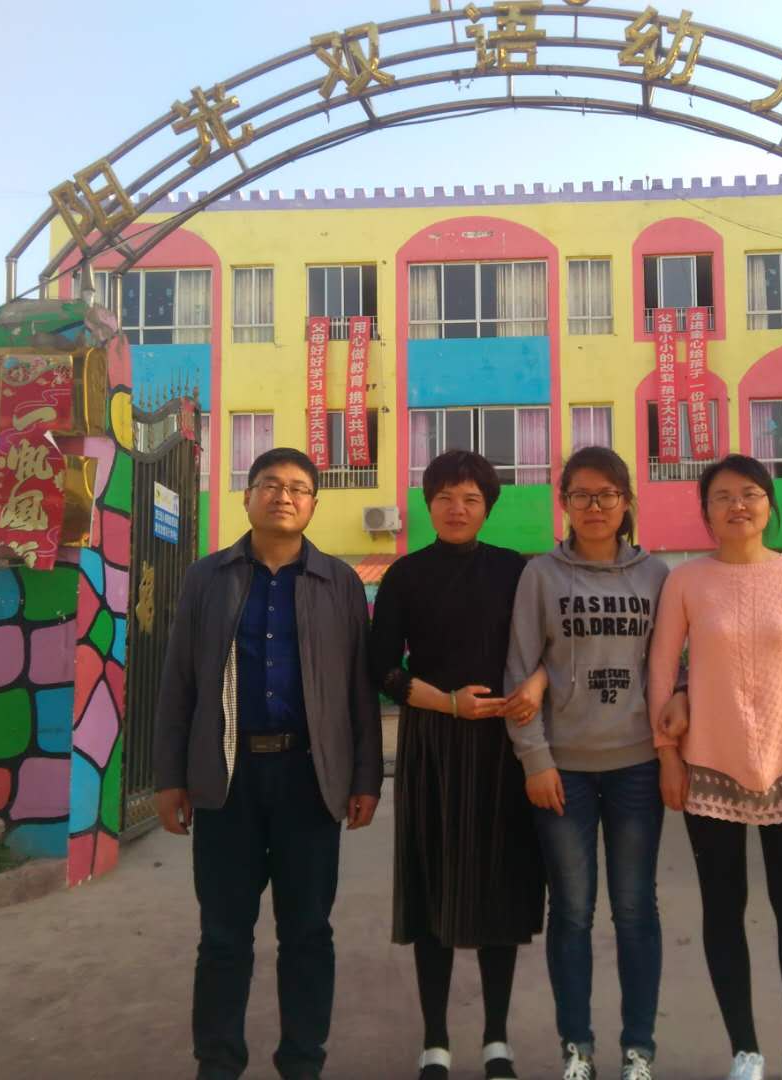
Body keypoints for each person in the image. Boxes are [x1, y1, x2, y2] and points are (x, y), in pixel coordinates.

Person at [153, 447, 382, 1080]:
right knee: (223, 934)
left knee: (307, 931)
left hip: (311, 778)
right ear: (247, 496)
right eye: (270, 485)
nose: (284, 496)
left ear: (313, 504)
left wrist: (365, 777)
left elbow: (358, 688)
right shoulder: (206, 578)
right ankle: (218, 1062)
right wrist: (169, 777)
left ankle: (302, 1062)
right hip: (227, 778)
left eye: (298, 488)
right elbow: (178, 682)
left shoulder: (338, 582)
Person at [647, 454, 782, 1080]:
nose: (738, 505)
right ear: (706, 512)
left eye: (751, 493)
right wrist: (667, 755)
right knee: (722, 910)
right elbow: (661, 670)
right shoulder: (686, 581)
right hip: (710, 767)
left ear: (769, 504)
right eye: (723, 496)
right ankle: (746, 1051)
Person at [368, 450, 545, 1080]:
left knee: (501, 886)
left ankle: (497, 1039)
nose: (457, 509)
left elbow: (550, 646)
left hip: (505, 745)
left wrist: (535, 687)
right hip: (432, 745)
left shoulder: (516, 570)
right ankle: (435, 1042)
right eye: (445, 497)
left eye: (471, 498)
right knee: (432, 889)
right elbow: (381, 667)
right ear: (428, 504)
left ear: (488, 506)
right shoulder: (405, 575)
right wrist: (447, 702)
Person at [505, 447, 670, 1080]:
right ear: (565, 503)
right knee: (572, 912)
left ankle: (638, 1048)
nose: (594, 506)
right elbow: (520, 670)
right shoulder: (540, 576)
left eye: (607, 494)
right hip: (563, 771)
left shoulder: (656, 576)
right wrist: (535, 760)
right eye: (581, 494)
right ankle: (576, 1046)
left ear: (626, 501)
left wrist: (671, 747)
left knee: (635, 909)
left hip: (637, 767)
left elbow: (671, 668)